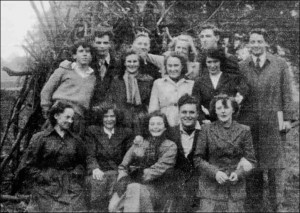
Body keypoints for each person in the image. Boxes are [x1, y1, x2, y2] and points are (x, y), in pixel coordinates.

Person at [238, 28, 296, 212]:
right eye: (252, 41)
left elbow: (287, 93)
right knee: (252, 163)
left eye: (259, 41)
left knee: (275, 166)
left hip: (273, 121)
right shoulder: (242, 66)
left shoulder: (279, 64)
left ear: (265, 43)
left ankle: (276, 205)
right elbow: (238, 94)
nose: (255, 45)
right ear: (248, 44)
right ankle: (254, 204)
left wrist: (288, 118)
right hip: (249, 123)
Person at [16, 101, 87, 212]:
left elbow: (82, 163)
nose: (70, 121)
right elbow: (28, 165)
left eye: (72, 118)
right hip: (46, 185)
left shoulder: (76, 140)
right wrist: (43, 177)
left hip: (70, 185)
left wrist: (76, 174)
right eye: (67, 117)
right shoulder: (40, 138)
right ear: (56, 115)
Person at [194, 95, 256, 212]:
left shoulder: (244, 130)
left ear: (233, 109)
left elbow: (251, 161)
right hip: (211, 189)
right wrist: (215, 172)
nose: (223, 111)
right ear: (215, 111)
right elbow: (198, 159)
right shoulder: (206, 129)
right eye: (219, 108)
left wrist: (238, 173)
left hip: (234, 190)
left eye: (226, 107)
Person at [108, 111, 177, 212]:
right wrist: (123, 178)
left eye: (159, 124)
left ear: (165, 127)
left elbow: (156, 171)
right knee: (113, 208)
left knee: (134, 188)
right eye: (152, 124)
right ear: (148, 127)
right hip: (131, 182)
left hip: (157, 189)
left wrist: (133, 175)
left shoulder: (170, 146)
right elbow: (123, 166)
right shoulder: (141, 142)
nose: (155, 127)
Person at [85, 102, 134, 212]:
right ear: (101, 118)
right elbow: (90, 155)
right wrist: (95, 168)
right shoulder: (92, 131)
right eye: (105, 116)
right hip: (100, 172)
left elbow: (129, 157)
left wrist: (123, 171)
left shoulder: (126, 133)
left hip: (118, 172)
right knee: (96, 184)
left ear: (117, 117)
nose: (109, 119)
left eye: (112, 116)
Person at [40, 40, 96, 136]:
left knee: (72, 146)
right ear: (74, 55)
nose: (85, 54)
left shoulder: (93, 77)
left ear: (91, 56)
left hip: (78, 117)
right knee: (51, 142)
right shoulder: (64, 70)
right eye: (81, 51)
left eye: (88, 51)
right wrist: (47, 110)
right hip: (59, 112)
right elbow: (46, 91)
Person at [166, 94, 202, 211]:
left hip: (199, 186)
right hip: (175, 187)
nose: (187, 116)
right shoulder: (170, 133)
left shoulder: (205, 133)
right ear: (179, 113)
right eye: (184, 112)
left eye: (191, 112)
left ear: (197, 114)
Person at [192, 48, 248, 123]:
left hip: (229, 122)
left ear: (221, 62)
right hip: (208, 123)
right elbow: (195, 104)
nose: (212, 65)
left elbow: (243, 91)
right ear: (205, 63)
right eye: (209, 62)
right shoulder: (199, 82)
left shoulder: (232, 79)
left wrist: (239, 97)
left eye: (215, 62)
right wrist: (203, 119)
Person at [108, 48, 154, 134]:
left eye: (135, 61)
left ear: (139, 63)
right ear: (124, 63)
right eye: (129, 61)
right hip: (121, 121)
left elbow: (150, 103)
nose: (132, 64)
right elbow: (112, 101)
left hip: (141, 121)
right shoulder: (117, 80)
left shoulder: (148, 80)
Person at [149, 51, 194, 127]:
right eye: (170, 66)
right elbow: (153, 109)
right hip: (165, 125)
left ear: (182, 66)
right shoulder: (158, 83)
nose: (173, 69)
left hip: (185, 125)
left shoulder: (191, 84)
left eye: (176, 65)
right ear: (166, 67)